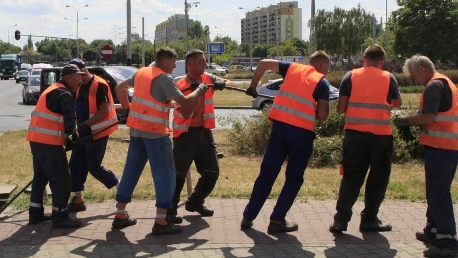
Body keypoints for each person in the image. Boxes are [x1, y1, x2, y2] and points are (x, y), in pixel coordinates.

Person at [112, 47, 209, 235]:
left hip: (137, 131)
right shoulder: (164, 79)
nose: (174, 67)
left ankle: (120, 214)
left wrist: (128, 108)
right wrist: (200, 89)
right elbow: (186, 105)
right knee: (165, 175)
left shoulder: (141, 73)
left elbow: (119, 88)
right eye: (173, 63)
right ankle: (161, 221)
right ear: (165, 62)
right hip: (156, 134)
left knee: (130, 172)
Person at [242, 51, 332, 233]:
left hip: (280, 129)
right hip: (302, 134)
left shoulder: (292, 68)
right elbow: (322, 116)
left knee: (267, 173)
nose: (327, 72)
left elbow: (263, 63)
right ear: (322, 65)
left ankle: (248, 217)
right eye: (328, 68)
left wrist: (253, 86)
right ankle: (277, 220)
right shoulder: (322, 82)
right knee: (294, 178)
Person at [394, 55, 458, 258]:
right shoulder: (446, 82)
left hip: (441, 146)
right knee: (434, 191)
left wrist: (406, 121)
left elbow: (428, 118)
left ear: (422, 69)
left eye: (414, 76)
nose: (414, 80)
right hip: (447, 146)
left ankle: (448, 240)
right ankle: (433, 231)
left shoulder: (434, 86)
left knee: (439, 193)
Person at [330, 44, 402, 234]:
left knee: (351, 177)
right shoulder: (388, 77)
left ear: (364, 59)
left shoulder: (350, 76)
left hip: (354, 135)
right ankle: (369, 219)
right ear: (382, 61)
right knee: (378, 178)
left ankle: (341, 220)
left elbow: (340, 108)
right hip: (381, 136)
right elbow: (397, 102)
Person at [169, 49, 230, 221]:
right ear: (190, 65)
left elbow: (225, 80)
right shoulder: (180, 85)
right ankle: (170, 211)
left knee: (212, 172)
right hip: (185, 135)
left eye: (204, 61)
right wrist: (198, 92)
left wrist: (219, 81)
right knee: (178, 176)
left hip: (204, 133)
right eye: (201, 61)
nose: (205, 64)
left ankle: (195, 202)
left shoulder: (206, 78)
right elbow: (186, 111)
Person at [26, 64, 86, 229]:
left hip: (36, 140)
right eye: (78, 76)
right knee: (63, 180)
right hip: (49, 143)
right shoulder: (64, 94)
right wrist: (75, 137)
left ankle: (35, 214)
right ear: (68, 77)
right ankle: (60, 216)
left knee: (40, 177)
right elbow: (70, 125)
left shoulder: (52, 89)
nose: (81, 80)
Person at [66, 58, 119, 212]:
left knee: (94, 167)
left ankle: (121, 187)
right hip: (83, 132)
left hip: (98, 132)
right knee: (75, 165)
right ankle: (78, 199)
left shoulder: (99, 84)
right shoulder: (79, 85)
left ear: (81, 72)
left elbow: (104, 111)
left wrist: (85, 124)